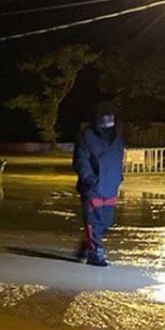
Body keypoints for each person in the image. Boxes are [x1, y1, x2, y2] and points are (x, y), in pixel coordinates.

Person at [72, 102, 124, 267]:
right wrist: (90, 180)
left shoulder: (117, 138)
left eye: (111, 115)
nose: (109, 119)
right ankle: (96, 254)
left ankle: (86, 247)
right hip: (92, 188)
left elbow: (118, 159)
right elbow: (81, 161)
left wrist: (118, 178)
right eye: (105, 115)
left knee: (106, 222)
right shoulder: (86, 136)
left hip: (110, 186)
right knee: (93, 222)